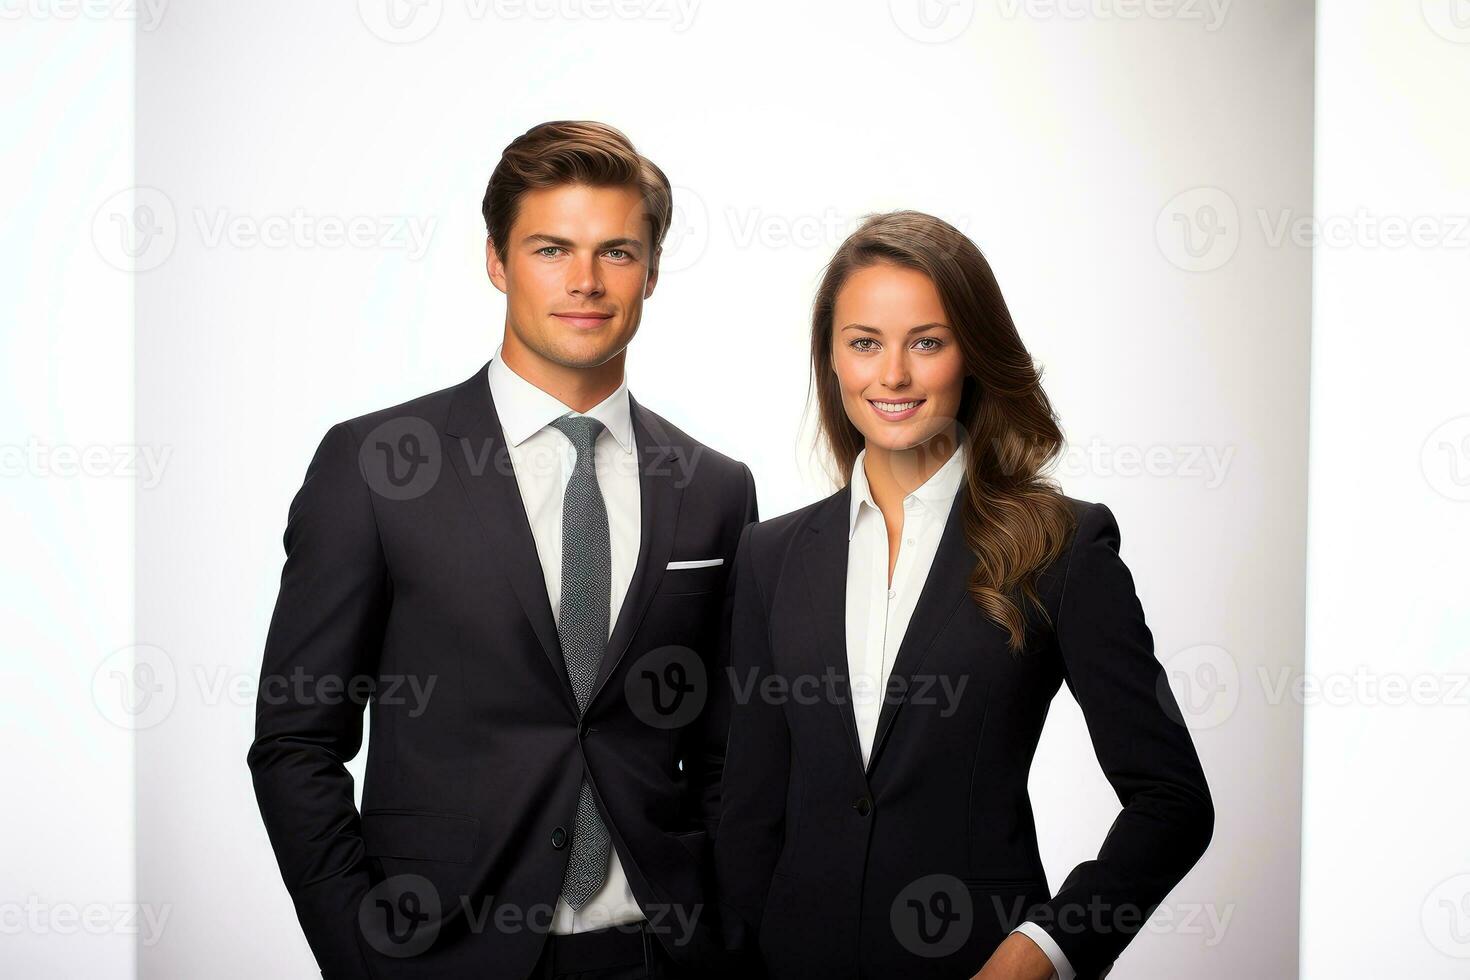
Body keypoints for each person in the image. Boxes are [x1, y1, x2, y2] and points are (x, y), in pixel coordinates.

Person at [248, 120, 757, 980]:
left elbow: (727, 758)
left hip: (660, 956)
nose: (586, 282)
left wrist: (728, 939)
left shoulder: (714, 487)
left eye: (618, 252)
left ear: (653, 272)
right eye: (552, 248)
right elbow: (297, 740)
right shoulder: (375, 467)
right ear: (497, 260)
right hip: (443, 954)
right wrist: (362, 955)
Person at [714, 211, 1214, 980]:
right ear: (832, 360)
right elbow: (748, 815)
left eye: (927, 341)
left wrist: (1043, 950)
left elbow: (1173, 802)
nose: (893, 376)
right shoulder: (770, 556)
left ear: (971, 354)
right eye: (864, 343)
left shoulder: (1061, 545)